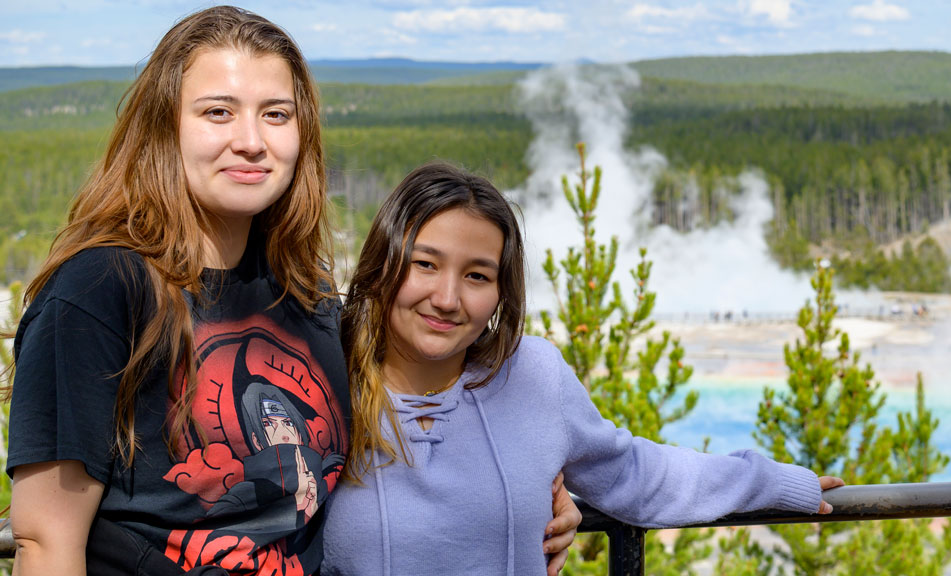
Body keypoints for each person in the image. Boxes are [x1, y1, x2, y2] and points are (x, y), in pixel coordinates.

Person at [1, 6, 580, 575]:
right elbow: (46, 543)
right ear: (164, 126)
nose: (251, 141)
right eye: (218, 112)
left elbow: (396, 428)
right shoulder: (100, 290)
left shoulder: (304, 295)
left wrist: (529, 493)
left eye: (276, 114)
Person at [323, 162, 845, 576]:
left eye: (477, 275)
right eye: (425, 264)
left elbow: (635, 474)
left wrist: (772, 482)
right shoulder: (320, 375)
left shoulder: (531, 374)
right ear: (384, 260)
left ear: (502, 293)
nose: (447, 298)